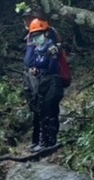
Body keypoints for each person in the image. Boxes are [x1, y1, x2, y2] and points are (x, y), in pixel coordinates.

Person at [22, 17, 67, 151]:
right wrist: (31, 46)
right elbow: (28, 62)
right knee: (42, 111)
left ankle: (50, 142)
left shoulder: (52, 47)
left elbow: (53, 68)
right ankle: (43, 142)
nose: (36, 38)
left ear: (46, 34)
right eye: (34, 36)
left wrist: (53, 56)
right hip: (42, 81)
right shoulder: (37, 48)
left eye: (38, 35)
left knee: (50, 110)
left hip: (54, 81)